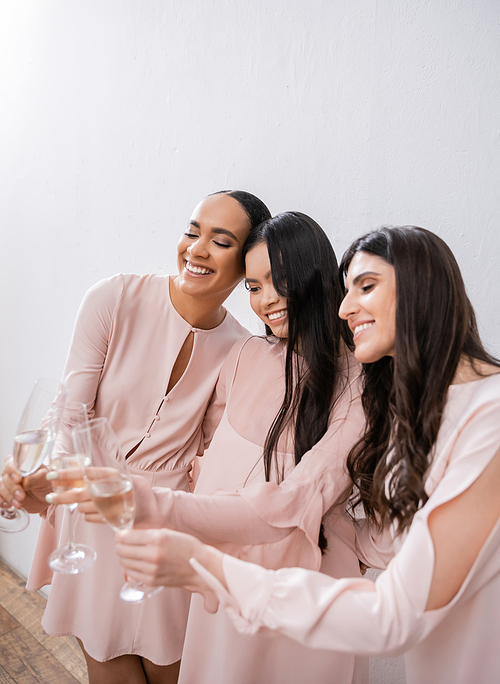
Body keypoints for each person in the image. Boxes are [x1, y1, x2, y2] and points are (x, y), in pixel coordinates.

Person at [113, 226, 500, 684]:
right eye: (253, 286)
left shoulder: (488, 421)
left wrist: (214, 568)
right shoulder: (422, 412)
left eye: (367, 285)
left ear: (424, 288)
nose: (344, 306)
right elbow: (388, 539)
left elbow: (392, 617)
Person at [49, 212, 368, 683]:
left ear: (314, 274)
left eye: (278, 279)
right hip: (219, 573)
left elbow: (294, 501)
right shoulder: (246, 355)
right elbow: (205, 459)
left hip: (300, 585)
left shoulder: (359, 384)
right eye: (254, 287)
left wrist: (148, 505)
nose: (266, 300)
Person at [0, 190, 271, 684]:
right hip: (91, 511)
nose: (196, 249)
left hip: (166, 521)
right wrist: (46, 477)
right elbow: (70, 413)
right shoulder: (114, 297)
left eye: (221, 240)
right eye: (192, 231)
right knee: (106, 661)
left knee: (172, 667)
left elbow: (211, 458)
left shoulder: (242, 349)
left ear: (247, 261)